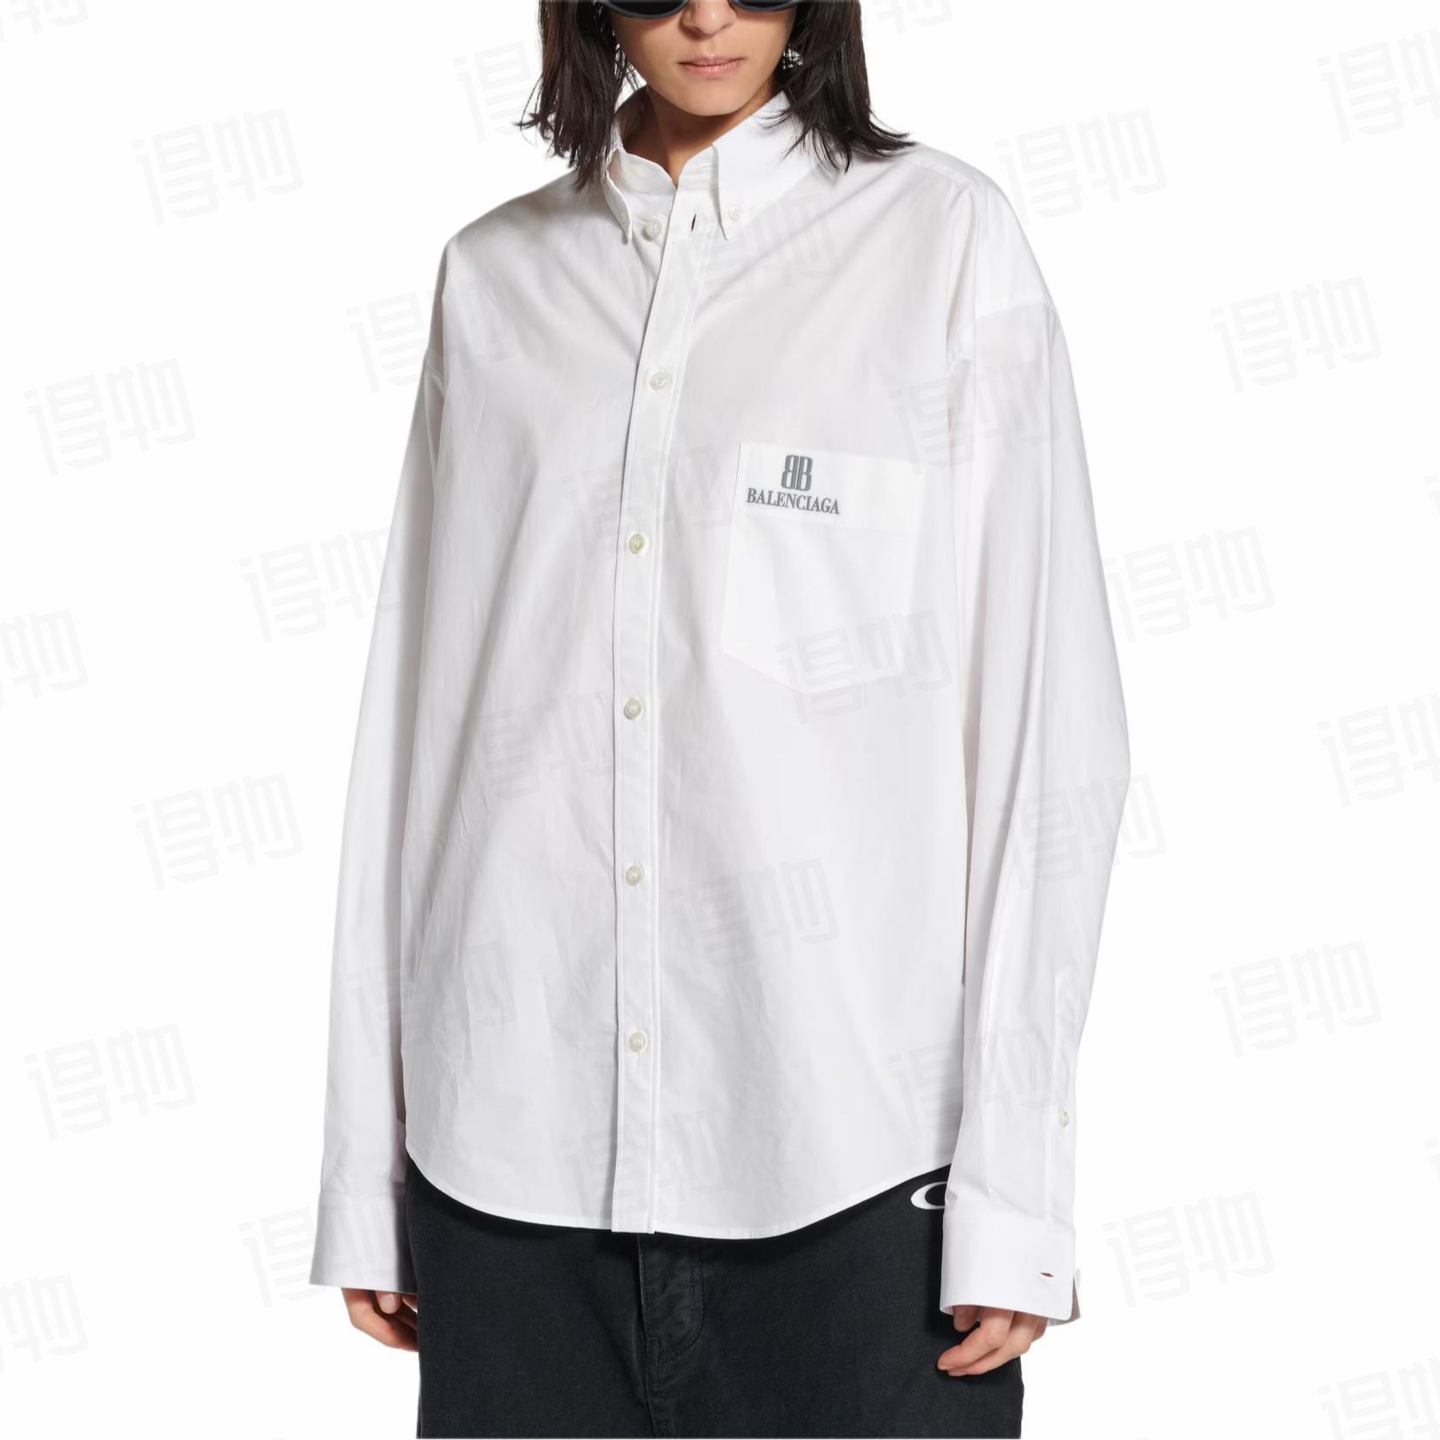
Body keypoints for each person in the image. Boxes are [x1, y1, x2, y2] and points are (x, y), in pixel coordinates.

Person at [306, 1, 1131, 1435]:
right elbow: (412, 736)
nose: (706, 12)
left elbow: (1045, 721)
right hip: (507, 1161)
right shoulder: (492, 277)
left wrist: (1018, 1190)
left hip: (851, 1166)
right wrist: (366, 1174)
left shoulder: (942, 243)